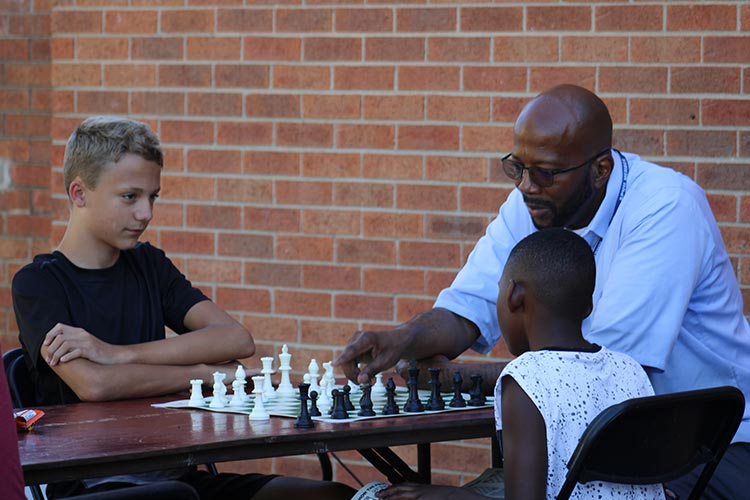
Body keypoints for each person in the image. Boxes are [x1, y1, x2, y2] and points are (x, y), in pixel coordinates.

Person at [335, 84, 750, 499]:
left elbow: (597, 376)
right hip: (599, 445)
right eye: (517, 168)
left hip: (711, 448)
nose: (526, 186)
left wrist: (459, 378)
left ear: (600, 169)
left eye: (544, 173)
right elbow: (467, 307)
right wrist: (401, 339)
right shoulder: (537, 201)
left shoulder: (666, 207)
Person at [11, 116, 356, 500]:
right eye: (130, 196)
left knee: (330, 495)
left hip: (178, 476)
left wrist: (117, 354)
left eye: (153, 196)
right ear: (79, 193)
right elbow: (95, 384)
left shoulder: (149, 265)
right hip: (95, 486)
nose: (146, 213)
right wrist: (207, 374)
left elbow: (236, 339)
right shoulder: (37, 284)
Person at [377, 229, 664, 500]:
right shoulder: (630, 369)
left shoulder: (527, 378)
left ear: (514, 295)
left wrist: (447, 495)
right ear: (588, 305)